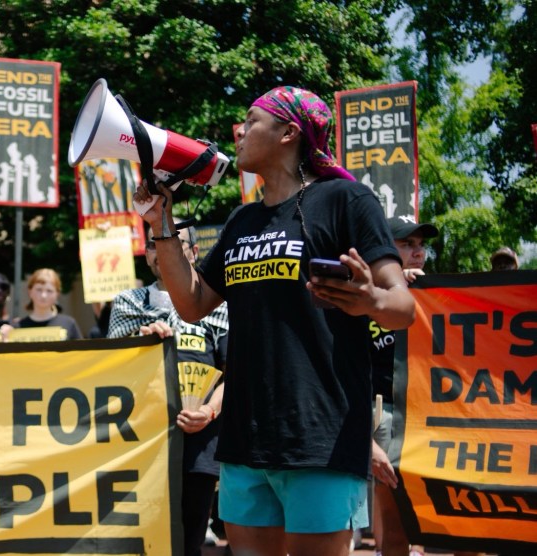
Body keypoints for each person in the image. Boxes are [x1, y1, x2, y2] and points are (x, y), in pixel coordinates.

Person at [134, 85, 415, 556]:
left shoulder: (346, 200)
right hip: (245, 438)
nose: (239, 131)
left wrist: (368, 298)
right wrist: (161, 222)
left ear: (289, 132)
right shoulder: (241, 221)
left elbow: (403, 309)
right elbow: (192, 303)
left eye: (251, 120)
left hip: (319, 435)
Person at [107, 224, 228, 556]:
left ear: (193, 252)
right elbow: (107, 371)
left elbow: (233, 373)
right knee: (141, 538)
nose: (161, 249)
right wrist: (140, 346)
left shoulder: (217, 306)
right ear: (146, 254)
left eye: (173, 242)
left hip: (198, 441)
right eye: (153, 243)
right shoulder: (127, 304)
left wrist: (210, 411)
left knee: (189, 538)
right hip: (141, 441)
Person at [368, 221, 438, 556]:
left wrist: (426, 295)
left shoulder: (440, 295)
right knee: (393, 521)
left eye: (421, 244)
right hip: (387, 416)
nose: (419, 251)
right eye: (407, 243)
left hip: (435, 418)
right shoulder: (366, 296)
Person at [2, 268, 82, 341]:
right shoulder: (17, 327)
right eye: (39, 290)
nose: (44, 295)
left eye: (49, 291)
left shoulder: (68, 323)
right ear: (30, 291)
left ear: (57, 294)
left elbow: (80, 354)